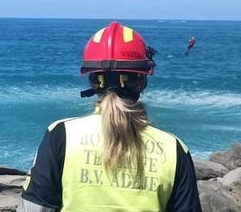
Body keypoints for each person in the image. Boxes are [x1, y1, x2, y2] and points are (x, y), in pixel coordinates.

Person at [18, 22, 201, 212]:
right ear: (141, 82)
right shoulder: (173, 148)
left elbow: (32, 208)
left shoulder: (61, 135)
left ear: (93, 81)